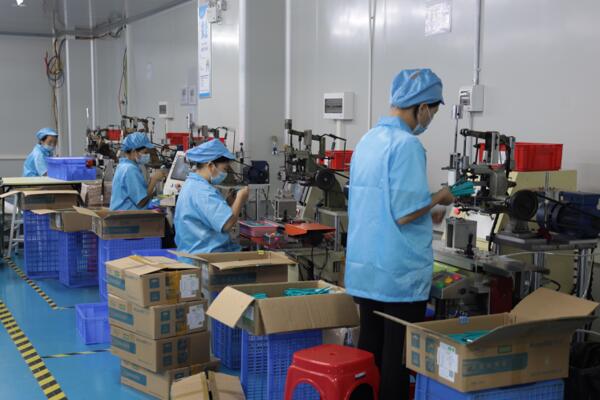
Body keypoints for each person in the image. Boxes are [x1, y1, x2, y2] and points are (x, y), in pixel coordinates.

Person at [345, 68, 454, 400]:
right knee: (397, 360)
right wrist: (440, 196)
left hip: (368, 270)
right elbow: (406, 211)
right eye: (432, 112)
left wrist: (428, 212)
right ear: (421, 107)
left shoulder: (368, 140)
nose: (429, 119)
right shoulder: (407, 145)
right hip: (398, 276)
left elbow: (382, 204)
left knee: (370, 352)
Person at [174, 140, 249, 258]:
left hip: (192, 254)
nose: (225, 173)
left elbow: (207, 216)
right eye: (224, 169)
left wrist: (228, 203)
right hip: (206, 259)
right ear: (210, 165)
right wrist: (240, 198)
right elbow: (227, 225)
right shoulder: (202, 191)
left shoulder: (192, 184)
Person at [110, 132, 165, 210]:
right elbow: (141, 202)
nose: (147, 155)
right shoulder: (130, 169)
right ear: (133, 151)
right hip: (127, 216)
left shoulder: (123, 165)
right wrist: (154, 180)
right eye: (145, 152)